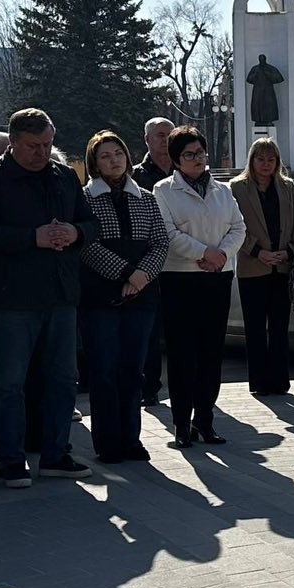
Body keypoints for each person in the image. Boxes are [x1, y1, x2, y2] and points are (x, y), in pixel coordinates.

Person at [0, 109, 95, 488]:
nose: (42, 153)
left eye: (47, 144)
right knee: (10, 383)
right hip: (13, 298)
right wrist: (30, 238)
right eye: (33, 146)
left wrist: (75, 232)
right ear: (13, 142)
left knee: (64, 379)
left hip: (60, 294)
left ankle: (56, 454)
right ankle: (12, 458)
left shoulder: (64, 175)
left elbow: (92, 223)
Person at [78, 130, 168, 462]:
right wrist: (126, 272)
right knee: (104, 371)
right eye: (105, 156)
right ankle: (108, 443)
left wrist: (142, 275)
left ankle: (132, 438)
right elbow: (86, 246)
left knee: (133, 371)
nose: (113, 160)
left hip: (141, 297)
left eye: (118, 153)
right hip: (100, 297)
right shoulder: (84, 199)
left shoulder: (145, 197)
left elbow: (160, 242)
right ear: (94, 163)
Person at [154, 125, 244, 445]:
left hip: (217, 276)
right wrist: (204, 253)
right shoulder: (164, 190)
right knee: (182, 353)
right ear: (176, 159)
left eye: (201, 153)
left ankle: (204, 420)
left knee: (210, 352)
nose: (197, 159)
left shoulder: (222, 191)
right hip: (180, 278)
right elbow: (169, 233)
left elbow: (238, 227)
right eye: (189, 154)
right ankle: (181, 423)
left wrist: (221, 255)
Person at [230, 140, 294, 397]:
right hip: (253, 267)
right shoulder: (237, 188)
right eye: (260, 159)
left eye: (270, 160)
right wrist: (257, 251)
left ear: (277, 162)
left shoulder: (288, 187)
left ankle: (280, 381)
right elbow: (234, 226)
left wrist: (289, 251)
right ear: (252, 160)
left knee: (279, 328)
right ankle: (259, 382)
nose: (265, 164)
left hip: (282, 267)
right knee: (255, 329)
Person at [131, 115, 177, 403]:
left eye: (170, 135)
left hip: (180, 261)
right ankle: (149, 388)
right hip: (148, 262)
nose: (165, 140)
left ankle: (184, 386)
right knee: (148, 332)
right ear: (147, 140)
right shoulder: (135, 176)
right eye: (160, 135)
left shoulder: (184, 173)